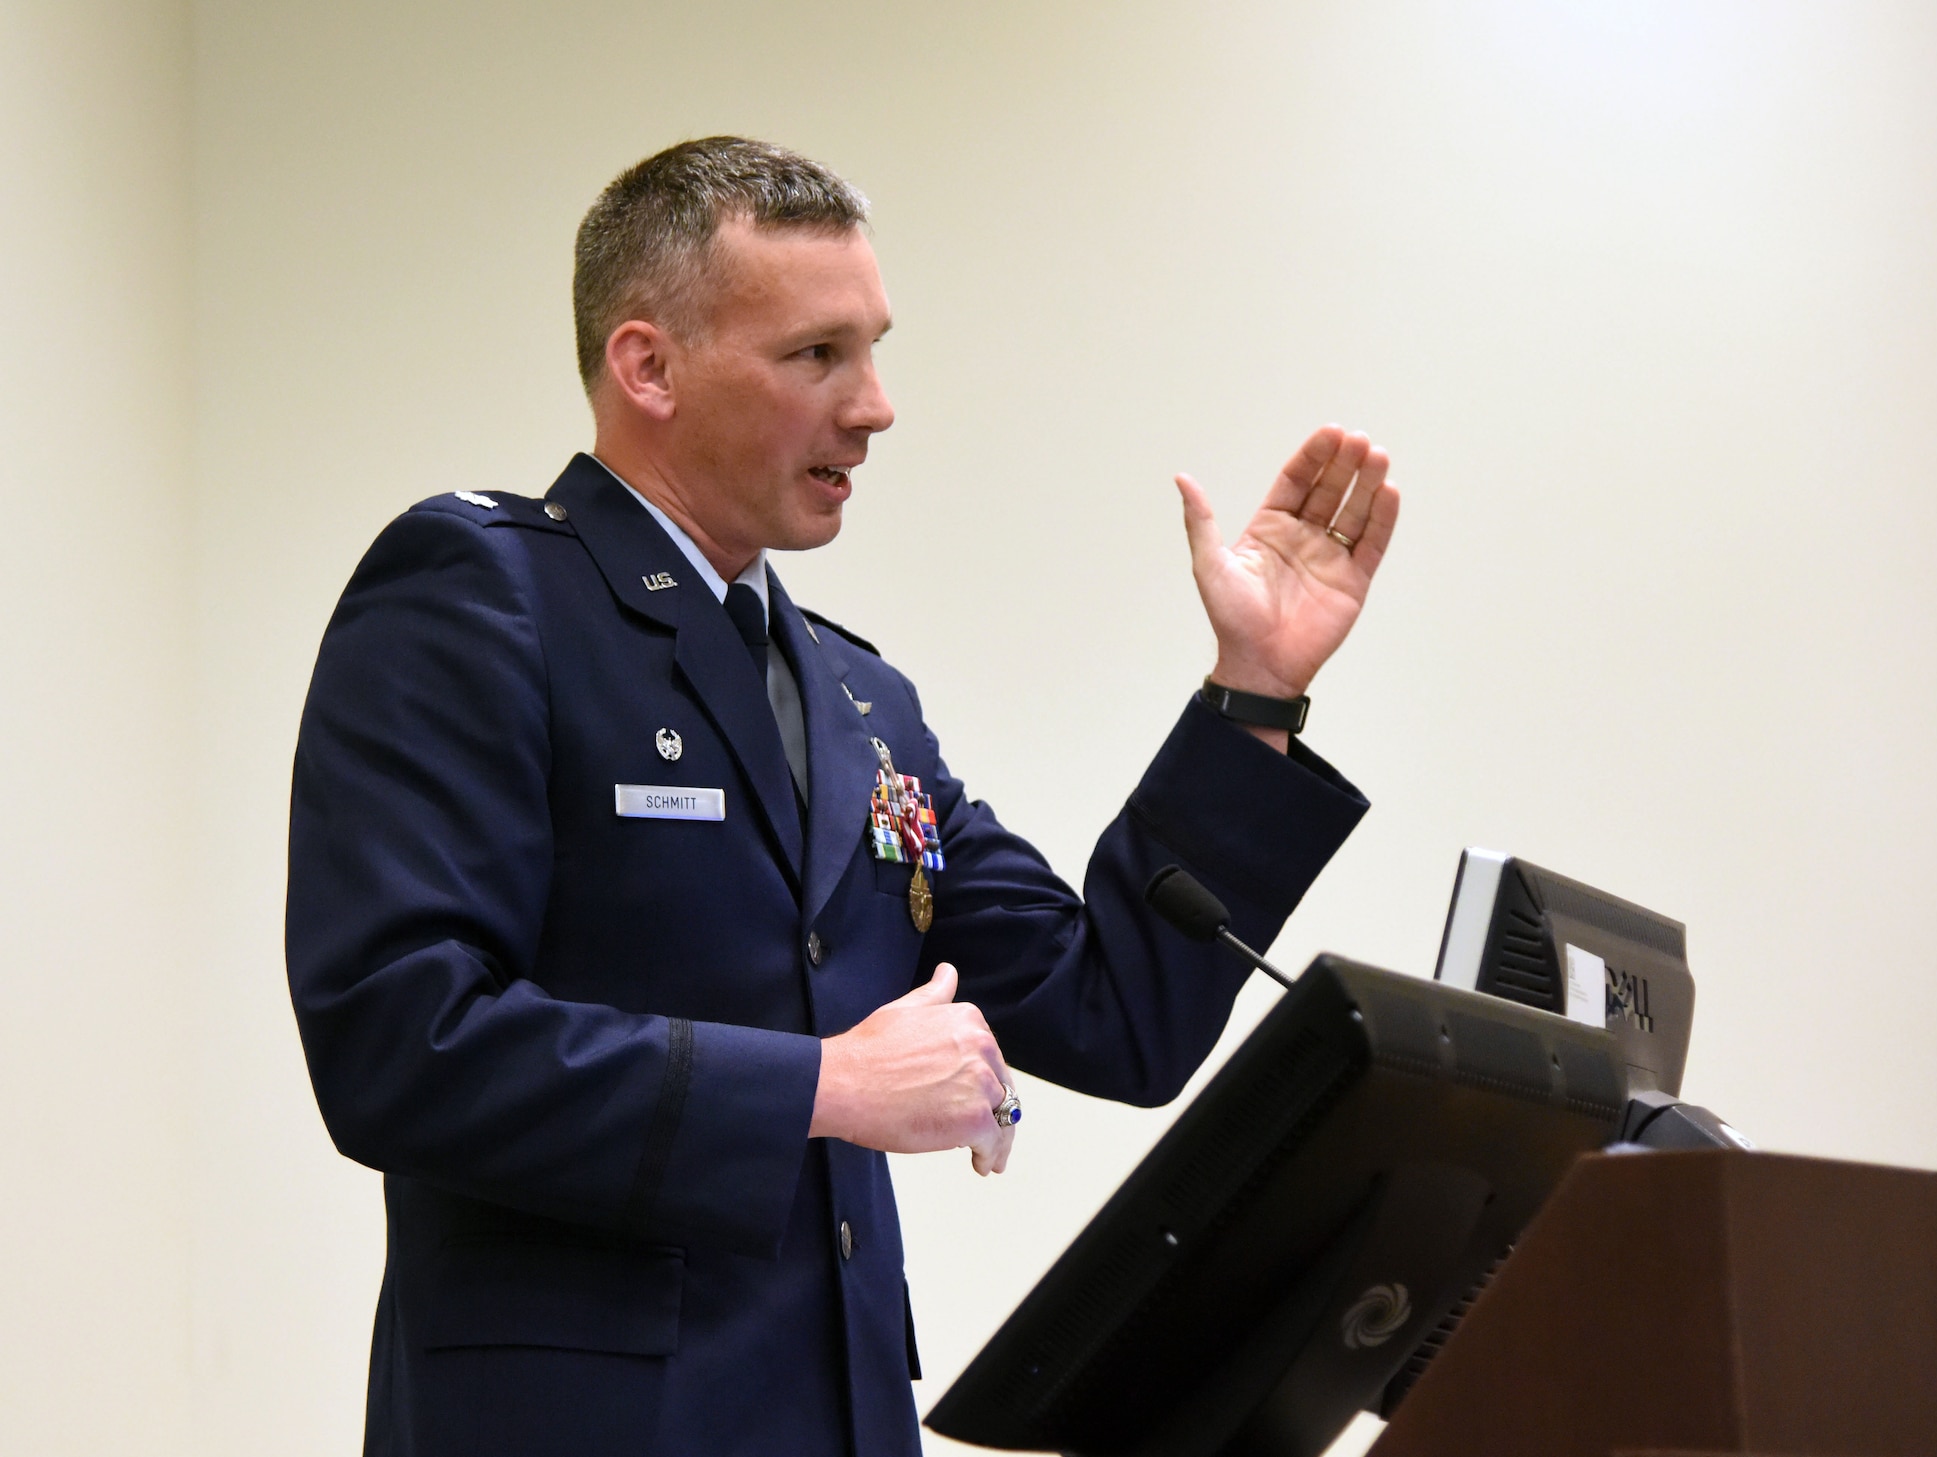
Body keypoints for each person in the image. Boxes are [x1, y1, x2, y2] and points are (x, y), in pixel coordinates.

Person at [286, 136, 1400, 1457]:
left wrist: (1254, 694)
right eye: (817, 355)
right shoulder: (486, 599)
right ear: (647, 366)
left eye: (872, 349)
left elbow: (1114, 1013)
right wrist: (819, 1084)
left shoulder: (854, 696)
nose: (874, 405)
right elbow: (398, 1042)